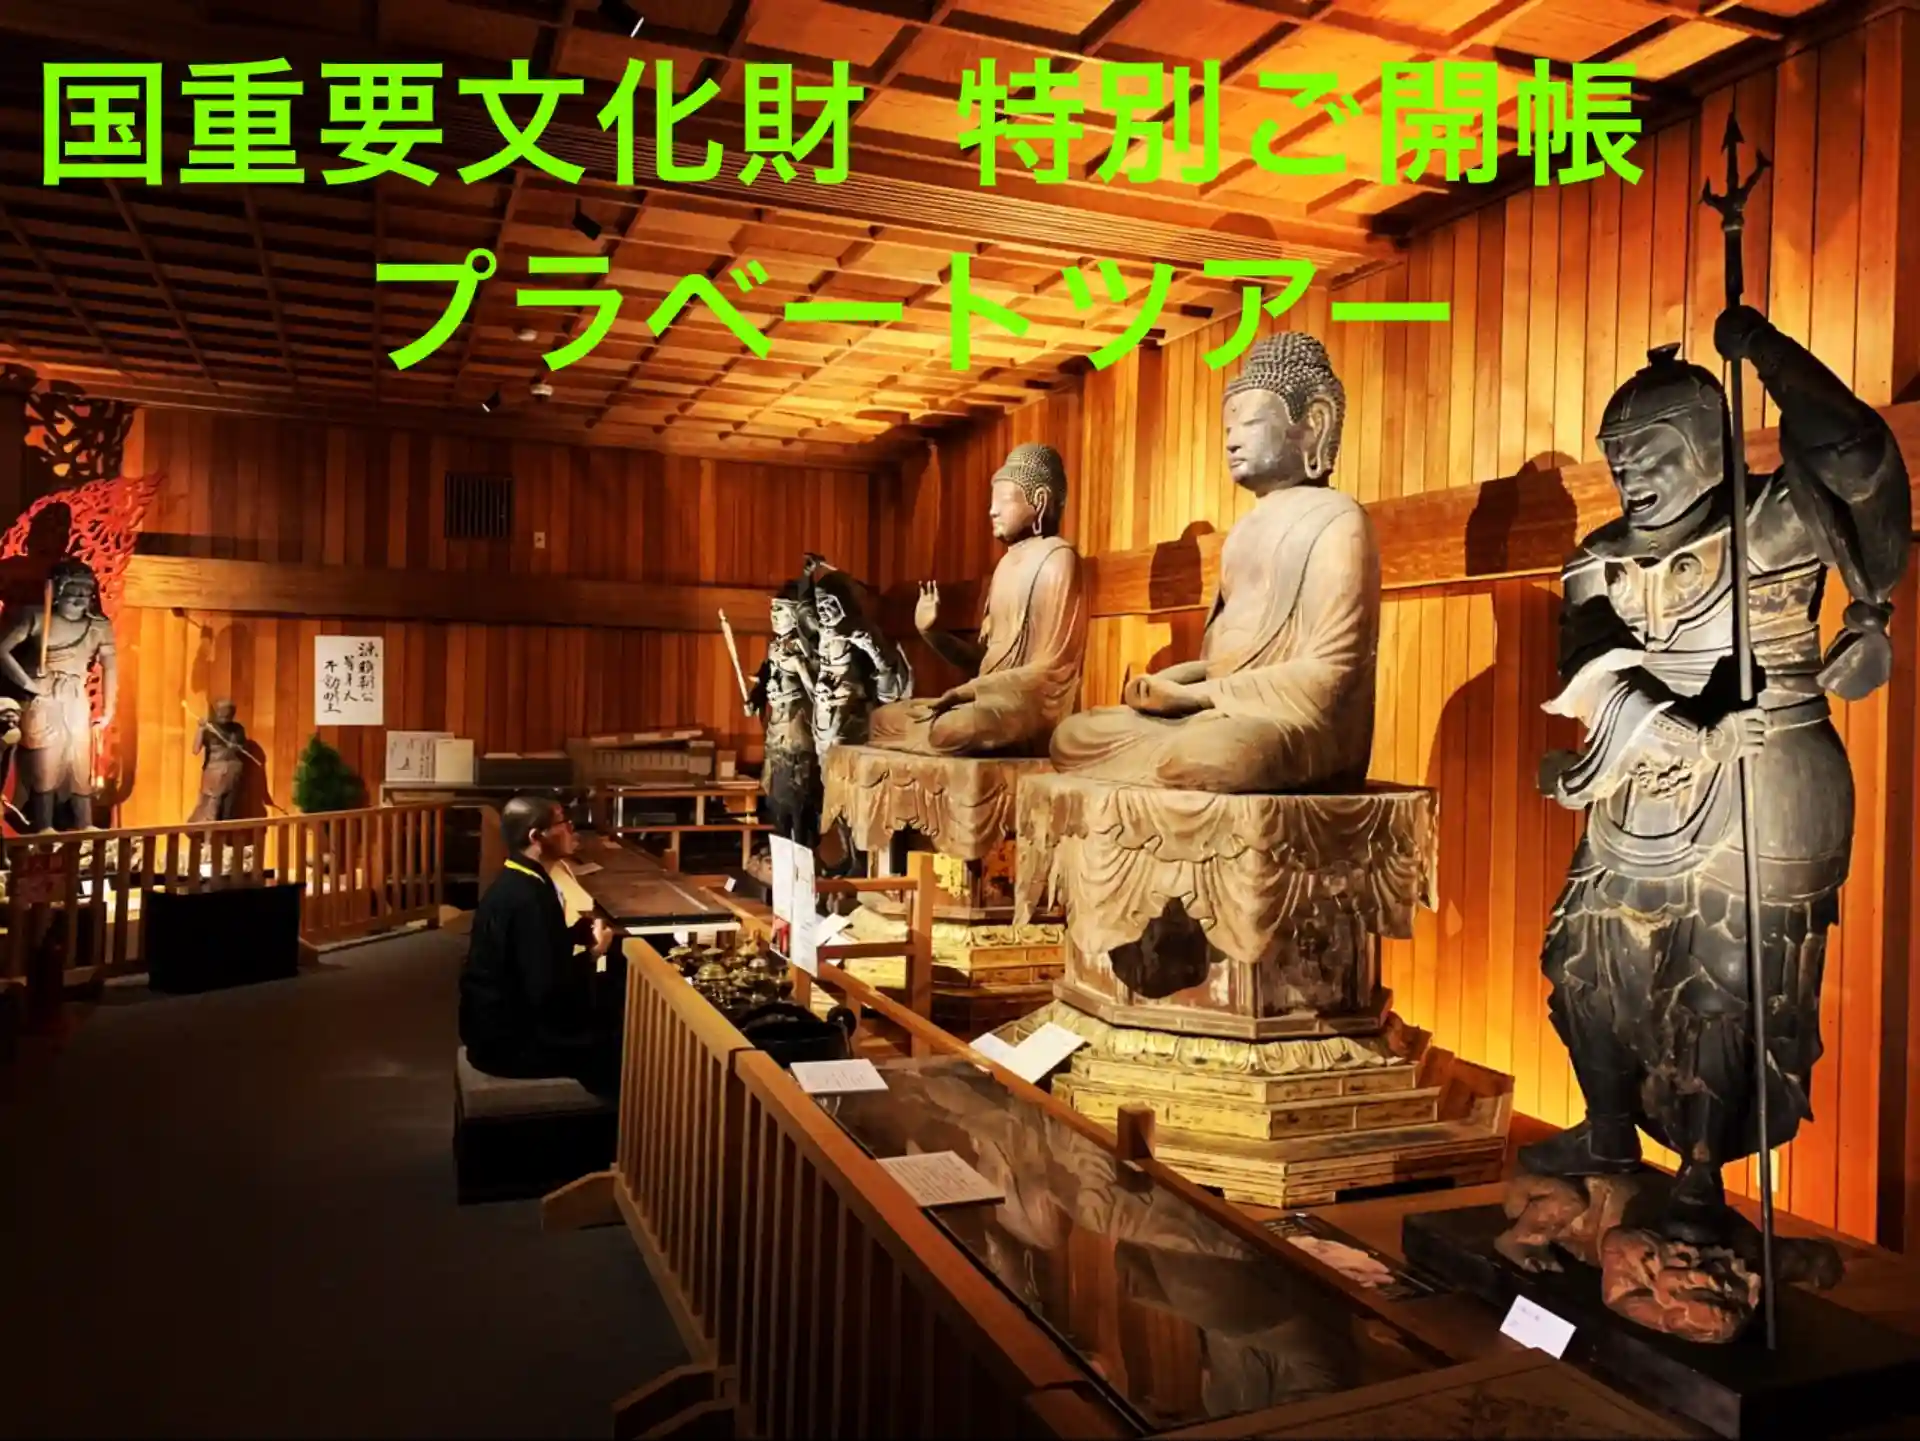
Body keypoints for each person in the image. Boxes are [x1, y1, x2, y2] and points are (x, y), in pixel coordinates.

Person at [459, 794, 625, 1097]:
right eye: (563, 823)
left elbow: (533, 951)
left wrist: (575, 934)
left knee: (610, 1003)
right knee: (620, 1040)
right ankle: (626, 1123)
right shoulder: (526, 898)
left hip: (503, 1026)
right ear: (536, 836)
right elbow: (547, 988)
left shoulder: (520, 878)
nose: (572, 830)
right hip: (508, 1043)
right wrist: (595, 953)